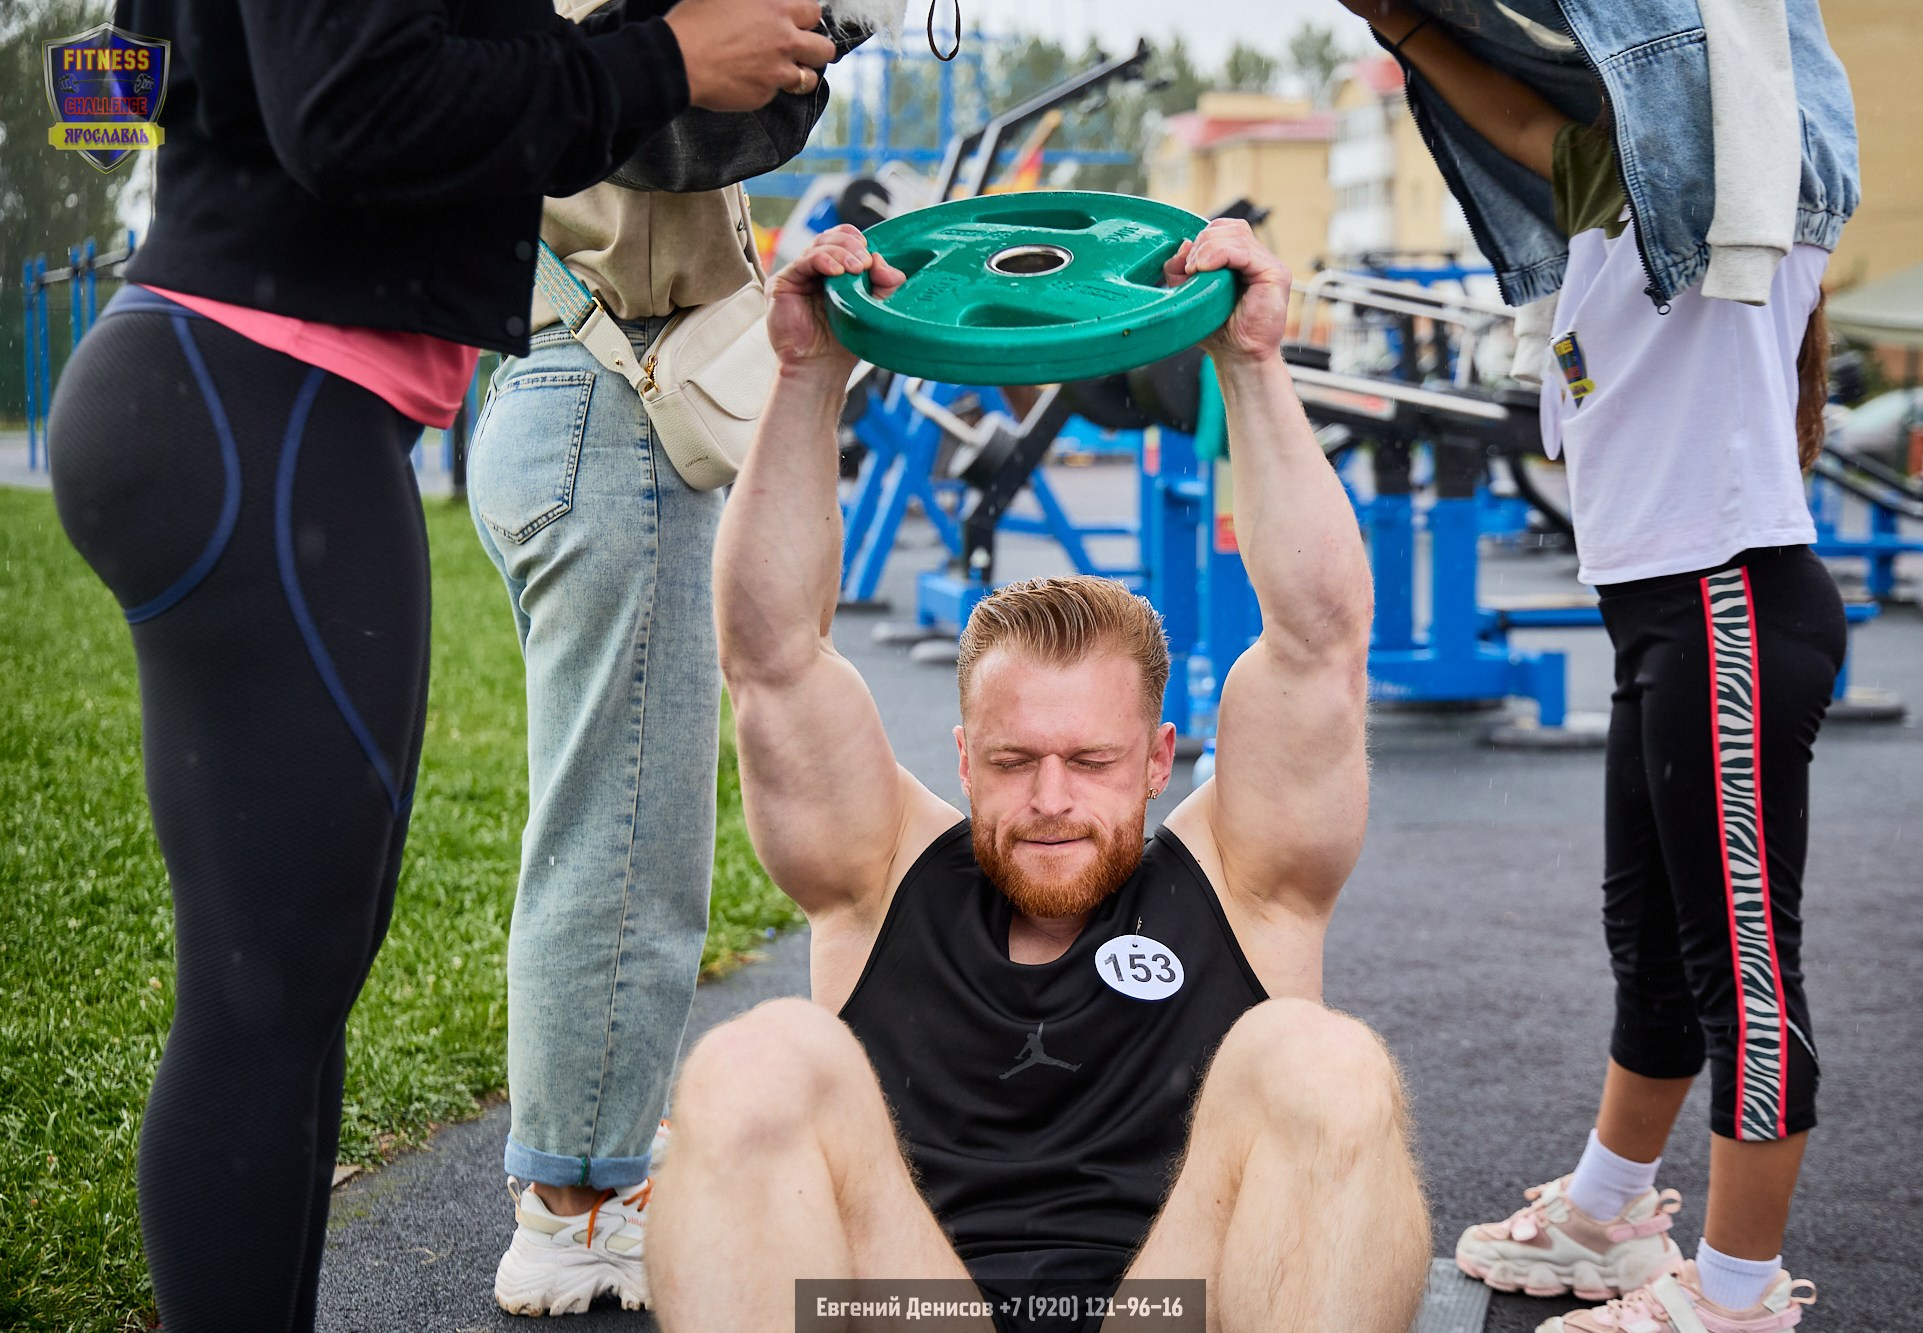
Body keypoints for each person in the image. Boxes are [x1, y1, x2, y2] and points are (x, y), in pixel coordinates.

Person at [45, 1, 837, 1328]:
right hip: (252, 394)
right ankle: (582, 1207)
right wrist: (668, 60)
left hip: (274, 399)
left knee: (286, 1000)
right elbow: (348, 106)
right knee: (261, 1007)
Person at [644, 220, 1432, 1333]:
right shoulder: (879, 875)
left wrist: (1248, 365)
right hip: (921, 1306)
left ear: (1159, 760)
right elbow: (770, 656)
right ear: (963, 758)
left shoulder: (1247, 882)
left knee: (1321, 1058)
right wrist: (808, 371)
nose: (1052, 798)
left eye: (1092, 761)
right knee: (759, 1058)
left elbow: (1317, 642)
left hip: (1166, 1309)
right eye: (1013, 762)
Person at [1338, 4, 1850, 1330]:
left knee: (1743, 973)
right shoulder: (1604, 205)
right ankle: (1612, 1209)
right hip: (1660, 621)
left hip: (1729, 602)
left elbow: (1718, 54)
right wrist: (1399, 25)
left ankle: (1736, 1297)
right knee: (1655, 951)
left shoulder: (1748, 216)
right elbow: (1517, 122)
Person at [469, 2, 890, 1314]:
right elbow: (678, 125)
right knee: (627, 832)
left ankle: (584, 1156)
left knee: (608, 811)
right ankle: (574, 1204)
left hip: (567, 391)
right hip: (608, 398)